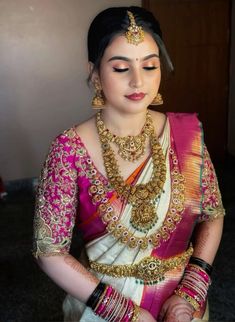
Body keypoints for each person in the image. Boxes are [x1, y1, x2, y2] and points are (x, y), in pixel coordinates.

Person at [33, 6, 225, 322]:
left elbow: (212, 214)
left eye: (150, 66)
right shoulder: (68, 149)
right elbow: (49, 251)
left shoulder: (186, 135)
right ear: (95, 73)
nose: (138, 81)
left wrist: (191, 291)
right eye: (121, 68)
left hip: (181, 306)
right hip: (101, 303)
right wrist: (123, 312)